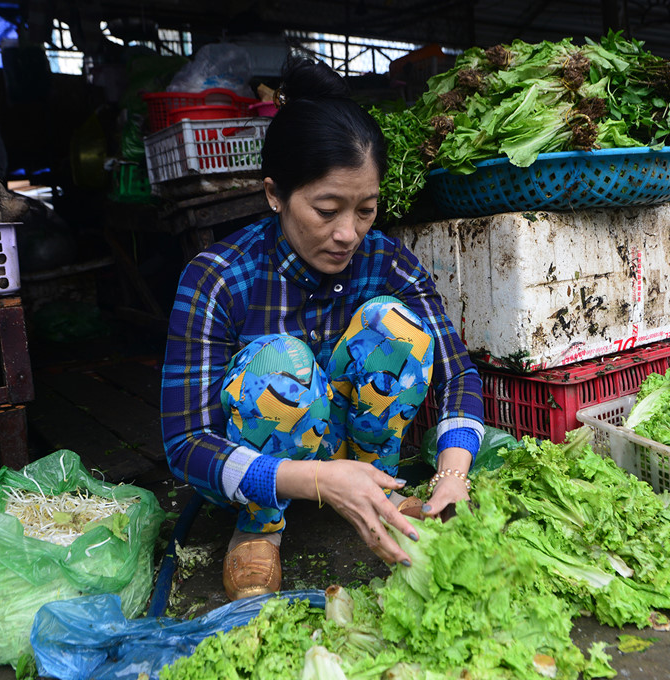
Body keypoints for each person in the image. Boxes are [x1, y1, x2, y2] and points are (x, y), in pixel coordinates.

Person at [160, 55, 485, 601]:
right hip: (265, 472)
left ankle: (376, 488)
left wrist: (453, 475)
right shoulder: (217, 279)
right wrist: (313, 480)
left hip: (360, 458)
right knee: (278, 363)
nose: (347, 233)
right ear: (274, 195)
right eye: (327, 209)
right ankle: (260, 528)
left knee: (395, 326)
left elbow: (459, 376)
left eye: (365, 209)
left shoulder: (388, 262)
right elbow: (185, 443)